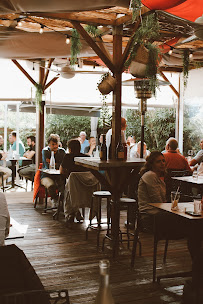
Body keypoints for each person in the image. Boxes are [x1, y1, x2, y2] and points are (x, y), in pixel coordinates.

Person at [60, 139, 90, 224]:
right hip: (86, 187)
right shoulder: (87, 157)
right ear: (80, 148)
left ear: (69, 148)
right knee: (72, 187)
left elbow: (61, 171)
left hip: (73, 187)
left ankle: (71, 214)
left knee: (69, 188)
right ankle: (76, 212)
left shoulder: (67, 157)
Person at [41, 134, 66, 207]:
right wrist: (57, 164)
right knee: (51, 185)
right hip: (46, 175)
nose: (55, 146)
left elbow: (64, 164)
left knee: (64, 185)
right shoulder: (45, 151)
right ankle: (54, 199)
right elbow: (47, 166)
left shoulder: (62, 151)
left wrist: (54, 163)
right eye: (53, 144)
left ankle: (63, 202)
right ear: (49, 144)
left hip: (59, 175)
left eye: (56, 144)